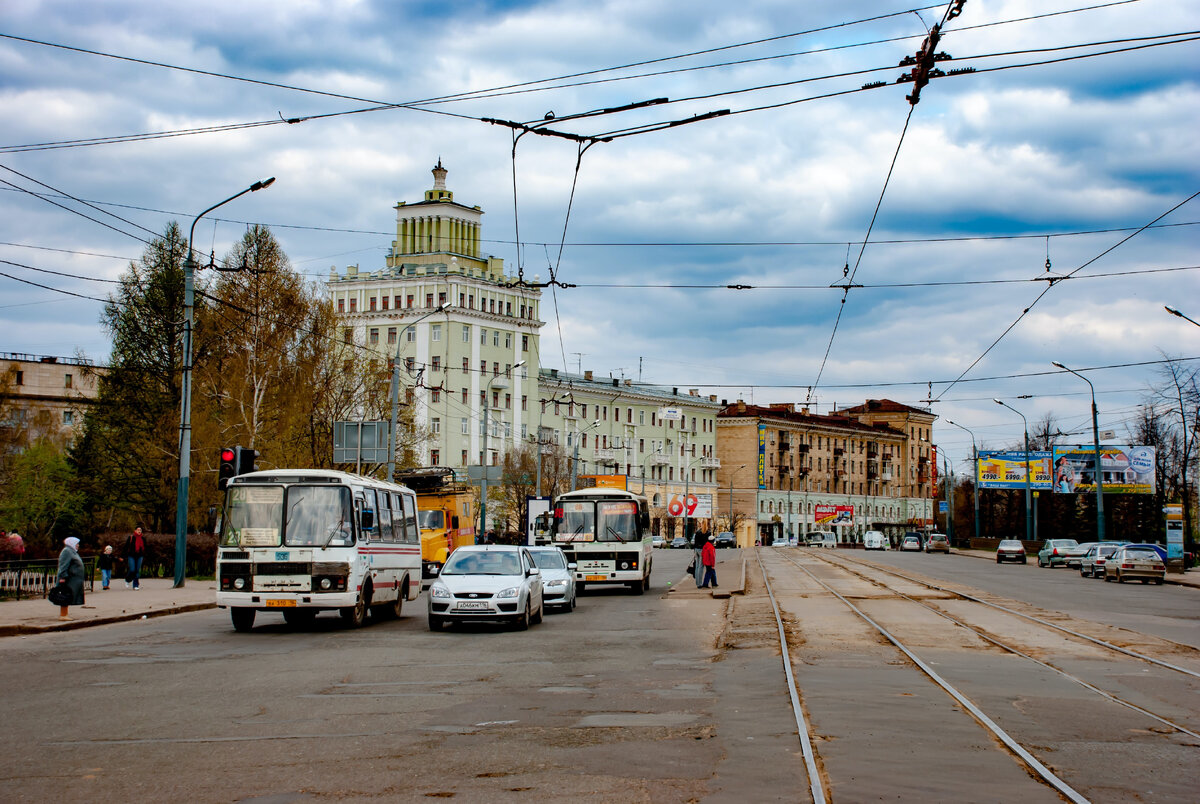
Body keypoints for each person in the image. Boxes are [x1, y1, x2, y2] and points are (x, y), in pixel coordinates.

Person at [55, 536, 86, 619]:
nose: (78, 545)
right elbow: (63, 566)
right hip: (68, 579)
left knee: (69, 596)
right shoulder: (67, 551)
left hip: (72, 579)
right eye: (77, 543)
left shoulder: (72, 551)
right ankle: (63, 615)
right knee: (65, 595)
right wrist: (62, 577)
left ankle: (65, 614)